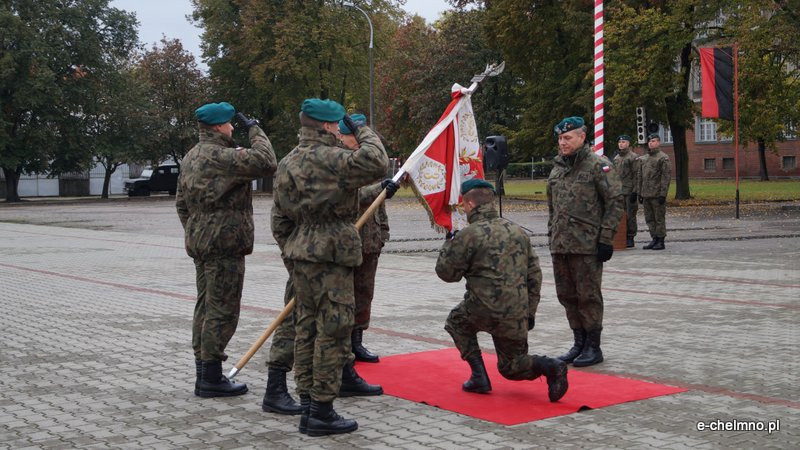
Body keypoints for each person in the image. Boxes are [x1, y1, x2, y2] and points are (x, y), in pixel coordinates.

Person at [272, 99, 388, 436]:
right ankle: (322, 409)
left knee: (306, 329)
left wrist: (291, 249)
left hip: (302, 248)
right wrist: (361, 129)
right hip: (332, 250)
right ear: (325, 126)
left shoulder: (288, 161)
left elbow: (280, 215)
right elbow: (377, 161)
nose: (341, 129)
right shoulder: (333, 158)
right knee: (334, 330)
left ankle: (308, 403)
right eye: (338, 124)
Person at [176, 102, 277, 397]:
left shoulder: (191, 157)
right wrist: (255, 129)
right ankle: (210, 377)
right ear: (219, 127)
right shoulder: (223, 156)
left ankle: (204, 372)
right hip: (225, 244)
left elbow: (181, 204)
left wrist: (198, 229)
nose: (233, 128)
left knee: (205, 306)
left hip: (202, 243)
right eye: (230, 124)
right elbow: (266, 161)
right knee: (223, 310)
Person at [436, 179, 568, 402]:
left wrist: (450, 243)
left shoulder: (469, 235)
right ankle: (551, 366)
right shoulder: (517, 231)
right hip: (516, 311)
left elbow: (447, 274)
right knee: (512, 367)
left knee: (456, 322)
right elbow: (534, 275)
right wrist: (530, 312)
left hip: (481, 308)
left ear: (468, 204)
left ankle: (479, 376)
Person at [547, 116, 623, 368]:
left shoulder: (598, 166)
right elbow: (552, 208)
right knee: (567, 296)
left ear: (582, 136)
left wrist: (605, 239)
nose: (562, 142)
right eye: (560, 138)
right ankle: (578, 342)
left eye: (567, 137)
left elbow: (615, 203)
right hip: (561, 245)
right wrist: (551, 235)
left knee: (588, 296)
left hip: (587, 245)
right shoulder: (558, 168)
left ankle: (593, 346)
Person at [337, 114, 399, 363]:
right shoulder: (341, 160)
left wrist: (383, 232)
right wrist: (381, 189)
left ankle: (357, 342)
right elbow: (351, 194)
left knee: (364, 293)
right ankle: (341, 345)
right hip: (347, 238)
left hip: (370, 238)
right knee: (345, 295)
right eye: (355, 135)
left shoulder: (371, 161)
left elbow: (378, 205)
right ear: (344, 136)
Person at [638, 133, 671, 250]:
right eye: (650, 141)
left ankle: (661, 240)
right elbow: (640, 176)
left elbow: (665, 177)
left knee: (659, 218)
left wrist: (663, 194)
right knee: (649, 218)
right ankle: (654, 238)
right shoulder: (645, 158)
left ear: (658, 142)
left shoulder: (663, 158)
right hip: (646, 193)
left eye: (653, 141)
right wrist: (639, 193)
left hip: (657, 194)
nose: (651, 143)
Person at [612, 135, 640, 248]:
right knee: (620, 215)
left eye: (623, 142)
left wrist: (635, 191)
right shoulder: (616, 158)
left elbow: (636, 175)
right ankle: (621, 236)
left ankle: (630, 236)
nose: (621, 144)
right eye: (620, 142)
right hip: (619, 192)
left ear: (628, 144)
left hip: (629, 191)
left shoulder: (633, 157)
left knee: (630, 215)